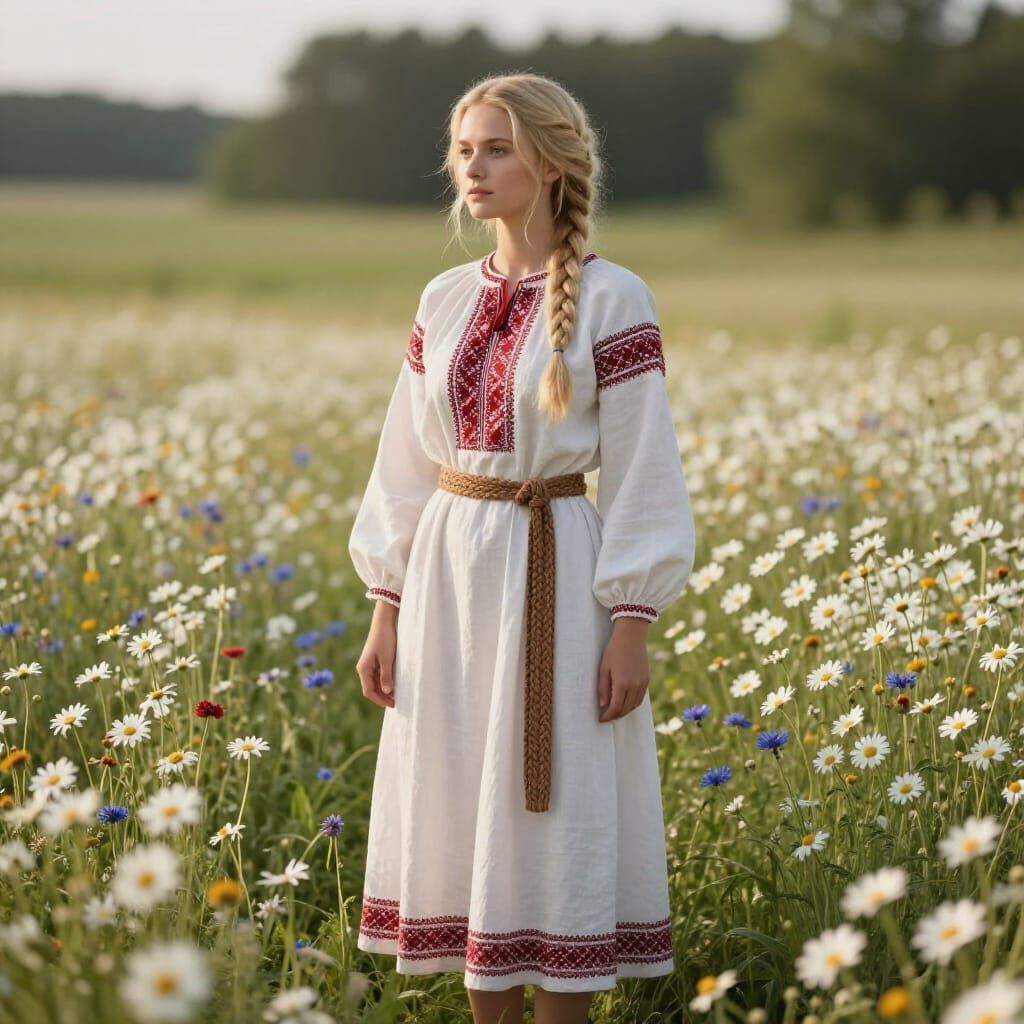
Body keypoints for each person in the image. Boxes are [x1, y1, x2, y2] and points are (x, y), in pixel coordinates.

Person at [348, 72, 696, 1024]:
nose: (474, 166)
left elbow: (642, 468)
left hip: (557, 573)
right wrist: (387, 605)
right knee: (465, 813)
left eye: (495, 148)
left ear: (547, 163)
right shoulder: (445, 297)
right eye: (464, 149)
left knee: (554, 815)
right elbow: (404, 465)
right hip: (450, 583)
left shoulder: (616, 299)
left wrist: (632, 619)